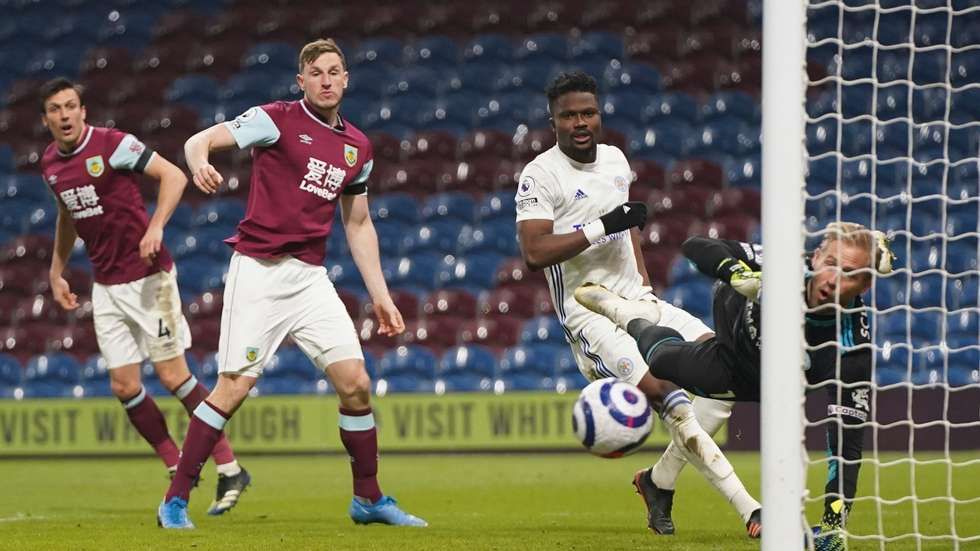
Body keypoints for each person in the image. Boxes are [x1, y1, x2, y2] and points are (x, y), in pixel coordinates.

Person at [156, 38, 426, 529]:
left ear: (346, 79)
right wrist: (199, 162)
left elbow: (358, 223)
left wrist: (381, 296)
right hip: (258, 271)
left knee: (357, 384)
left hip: (309, 278)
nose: (326, 80)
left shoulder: (358, 148)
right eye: (316, 73)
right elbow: (199, 140)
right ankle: (175, 501)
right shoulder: (274, 118)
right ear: (301, 81)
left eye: (334, 71)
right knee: (233, 388)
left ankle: (368, 498)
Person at [515, 70, 761, 538]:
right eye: (569, 115)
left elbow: (626, 229)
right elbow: (534, 251)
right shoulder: (540, 175)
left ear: (599, 114)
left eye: (588, 113)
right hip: (590, 314)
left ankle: (658, 481)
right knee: (669, 395)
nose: (580, 122)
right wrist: (600, 226)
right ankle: (750, 507)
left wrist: (643, 284)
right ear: (554, 122)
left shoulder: (614, 159)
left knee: (726, 373)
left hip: (639, 301)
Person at [575, 222, 895, 551]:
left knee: (711, 399)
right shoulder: (782, 267)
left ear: (865, 285)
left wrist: (834, 523)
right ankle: (630, 317)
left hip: (768, 384)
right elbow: (695, 245)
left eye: (850, 274)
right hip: (733, 339)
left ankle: (658, 481)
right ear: (814, 258)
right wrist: (737, 274)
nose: (833, 280)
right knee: (660, 363)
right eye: (830, 264)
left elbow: (846, 446)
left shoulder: (852, 347)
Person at [38, 77, 250, 515]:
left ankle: (230, 467)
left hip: (149, 278)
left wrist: (156, 227)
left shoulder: (112, 144)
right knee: (124, 385)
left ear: (83, 111)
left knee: (173, 376)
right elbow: (67, 214)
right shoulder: (50, 165)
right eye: (55, 109)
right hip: (106, 285)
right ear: (46, 119)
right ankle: (176, 464)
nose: (64, 115)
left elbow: (173, 175)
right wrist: (56, 270)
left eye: (70, 106)